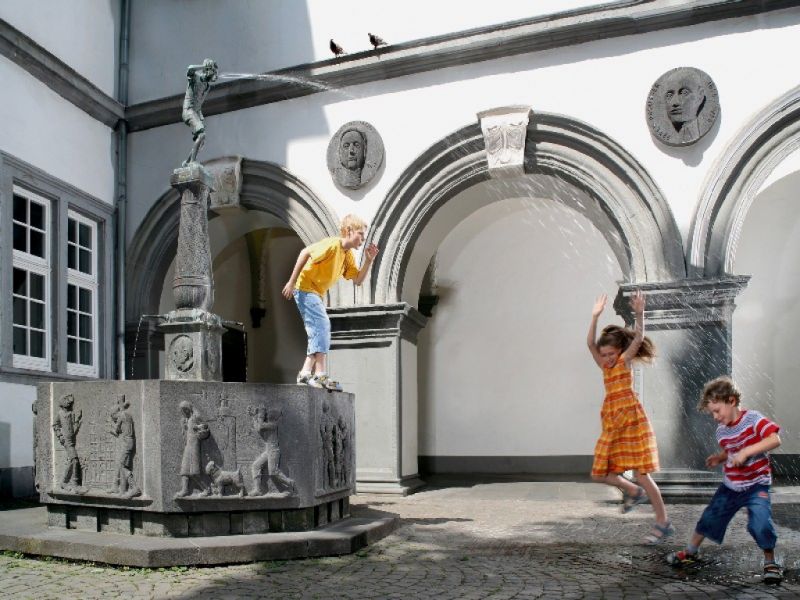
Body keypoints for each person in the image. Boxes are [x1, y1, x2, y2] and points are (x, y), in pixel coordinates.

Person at [666, 376, 783, 584]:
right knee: (710, 517)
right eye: (712, 413)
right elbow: (731, 448)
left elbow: (774, 439)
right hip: (731, 486)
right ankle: (691, 551)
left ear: (731, 401)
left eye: (717, 410)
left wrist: (747, 451)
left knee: (760, 523)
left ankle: (770, 561)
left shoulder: (753, 419)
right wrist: (720, 457)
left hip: (757, 485)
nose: (715, 417)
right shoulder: (722, 431)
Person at [587, 290, 672, 544]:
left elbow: (638, 338)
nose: (608, 358)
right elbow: (590, 344)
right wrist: (594, 317)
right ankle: (632, 490)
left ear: (619, 351)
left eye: (611, 353)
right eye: (605, 355)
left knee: (643, 474)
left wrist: (639, 313)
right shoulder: (604, 366)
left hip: (631, 420)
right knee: (600, 472)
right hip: (613, 422)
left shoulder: (624, 362)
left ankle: (662, 522)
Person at [282, 214, 379, 391]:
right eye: (360, 234)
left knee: (318, 329)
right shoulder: (332, 245)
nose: (363, 239)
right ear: (349, 231)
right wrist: (291, 281)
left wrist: (369, 260)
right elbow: (305, 252)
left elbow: (357, 280)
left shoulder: (347, 255)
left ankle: (305, 373)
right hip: (304, 288)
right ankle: (320, 374)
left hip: (314, 293)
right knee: (322, 325)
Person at [181, 58, 219, 166]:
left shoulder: (207, 87)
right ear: (208, 70)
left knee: (201, 140)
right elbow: (190, 68)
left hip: (196, 112)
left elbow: (199, 103)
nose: (216, 75)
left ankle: (187, 162)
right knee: (201, 135)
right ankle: (192, 162)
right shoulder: (195, 77)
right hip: (188, 111)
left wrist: (201, 117)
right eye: (214, 72)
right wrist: (204, 66)